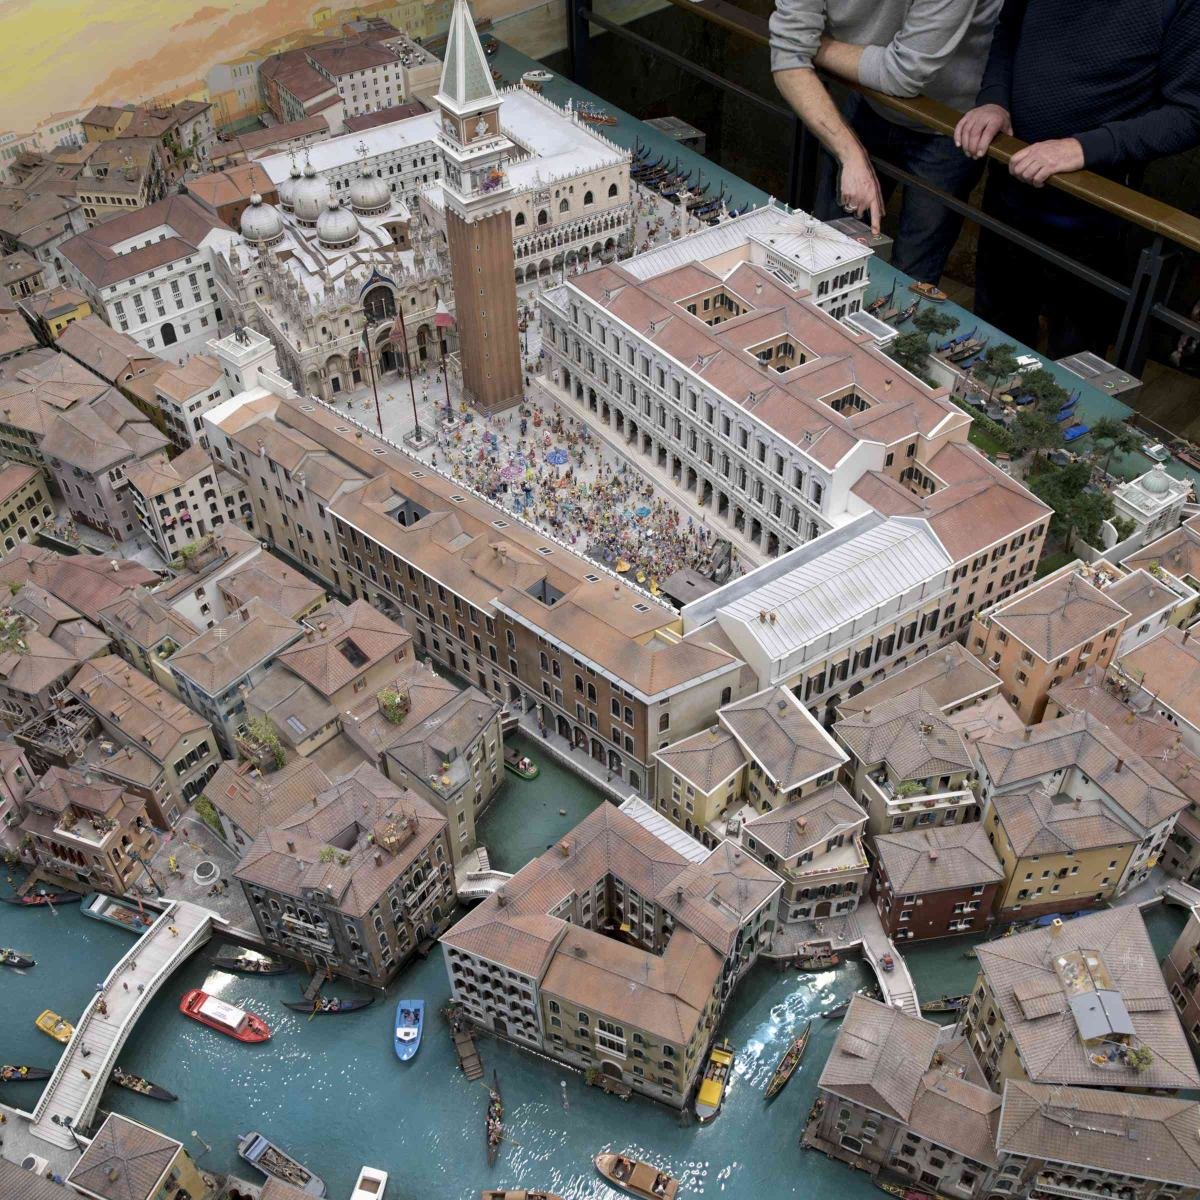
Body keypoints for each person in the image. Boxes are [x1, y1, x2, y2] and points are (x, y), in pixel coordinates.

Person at [955, 0, 1200, 355]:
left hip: (1093, 215)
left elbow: (1190, 114)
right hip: (1008, 192)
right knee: (994, 339)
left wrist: (1084, 147)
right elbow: (1009, 30)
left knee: (1072, 358)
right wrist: (994, 99)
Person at [770, 0, 1002, 282]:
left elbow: (903, 74)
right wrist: (850, 154)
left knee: (912, 276)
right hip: (870, 99)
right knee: (825, 249)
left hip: (947, 122)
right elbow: (788, 54)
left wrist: (808, 46)